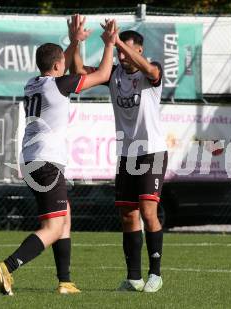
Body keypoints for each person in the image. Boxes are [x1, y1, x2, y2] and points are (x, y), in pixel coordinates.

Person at [0, 15, 117, 296]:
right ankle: (7, 267)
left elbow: (61, 64)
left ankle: (65, 281)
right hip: (47, 161)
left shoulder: (33, 83)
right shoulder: (59, 85)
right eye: (63, 63)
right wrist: (109, 44)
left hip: (32, 160)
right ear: (58, 66)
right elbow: (104, 74)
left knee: (64, 217)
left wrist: (74, 43)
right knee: (53, 226)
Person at [71, 23, 168, 293]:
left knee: (149, 212)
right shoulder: (113, 74)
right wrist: (76, 42)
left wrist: (117, 42)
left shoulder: (152, 72)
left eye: (126, 52)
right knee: (128, 215)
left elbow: (151, 70)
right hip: (126, 155)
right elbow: (78, 73)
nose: (121, 57)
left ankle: (155, 274)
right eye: (118, 52)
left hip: (153, 152)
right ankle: (133, 278)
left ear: (139, 50)